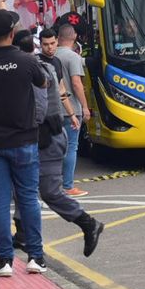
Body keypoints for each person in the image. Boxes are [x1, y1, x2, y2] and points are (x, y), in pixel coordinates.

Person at [0, 9, 49, 277]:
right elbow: (43, 82)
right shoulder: (26, 61)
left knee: (0, 202)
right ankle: (36, 256)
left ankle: (4, 260)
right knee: (27, 198)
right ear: (13, 33)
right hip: (23, 138)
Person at [32, 30, 104, 262]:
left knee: (49, 190)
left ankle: (85, 217)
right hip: (34, 136)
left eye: (52, 43)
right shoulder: (39, 63)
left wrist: (76, 112)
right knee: (24, 190)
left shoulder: (51, 65)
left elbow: (66, 89)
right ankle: (23, 235)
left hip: (50, 132)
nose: (49, 48)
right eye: (45, 44)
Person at [53, 23, 92, 196]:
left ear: (58, 37)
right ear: (74, 37)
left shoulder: (49, 55)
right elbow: (76, 84)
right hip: (71, 110)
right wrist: (85, 107)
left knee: (54, 148)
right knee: (71, 147)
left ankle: (52, 184)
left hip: (52, 109)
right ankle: (68, 186)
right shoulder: (73, 57)